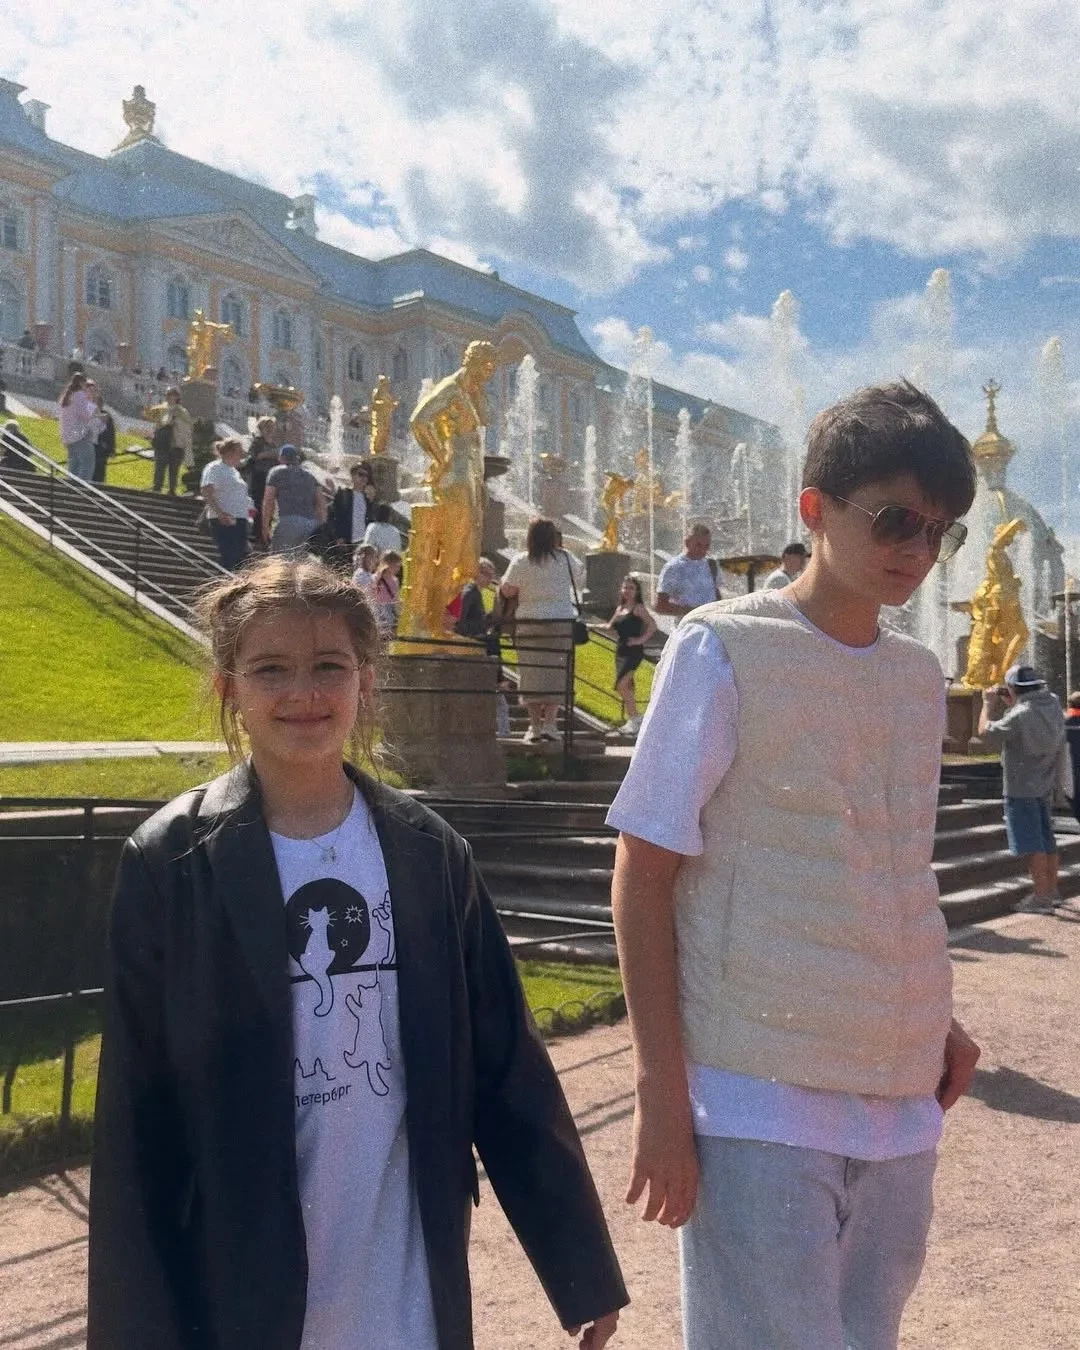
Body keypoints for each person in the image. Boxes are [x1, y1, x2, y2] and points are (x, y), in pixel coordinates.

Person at [87, 556, 625, 1350]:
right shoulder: (170, 861)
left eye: (328, 666)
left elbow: (507, 1067)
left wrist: (580, 1264)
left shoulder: (428, 853)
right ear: (229, 686)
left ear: (367, 680)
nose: (303, 692)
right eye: (271, 668)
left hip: (400, 1278)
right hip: (238, 1282)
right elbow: (136, 1123)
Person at [607, 380, 982, 1350]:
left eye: (938, 531)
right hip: (758, 1094)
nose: (917, 550)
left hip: (897, 1099)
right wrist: (660, 1092)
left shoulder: (917, 676)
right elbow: (643, 867)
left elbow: (888, 868)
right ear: (815, 508)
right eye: (895, 519)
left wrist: (931, 1012)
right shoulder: (722, 648)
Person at [978, 664, 1069, 914]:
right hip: (1045, 783)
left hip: (1021, 788)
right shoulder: (1052, 702)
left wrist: (987, 705)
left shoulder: (1019, 715)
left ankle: (1040, 897)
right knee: (1047, 839)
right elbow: (1029, 721)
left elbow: (985, 731)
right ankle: (1051, 890)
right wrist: (1014, 702)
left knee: (1031, 844)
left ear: (1012, 688)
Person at [500, 517, 578, 744]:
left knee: (531, 674)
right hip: (561, 622)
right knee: (556, 673)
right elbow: (579, 578)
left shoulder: (521, 561)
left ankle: (534, 726)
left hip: (530, 623)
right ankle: (551, 725)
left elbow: (507, 590)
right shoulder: (566, 559)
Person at [604, 575, 656, 737]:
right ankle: (633, 720)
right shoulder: (620, 608)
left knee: (621, 685)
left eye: (631, 588)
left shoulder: (638, 608)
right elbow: (609, 627)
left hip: (633, 652)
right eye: (625, 587)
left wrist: (640, 640)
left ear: (637, 591)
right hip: (621, 650)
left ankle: (636, 718)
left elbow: (652, 625)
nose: (627, 591)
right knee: (626, 686)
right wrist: (587, 625)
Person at [200, 437, 253, 572]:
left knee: (241, 557)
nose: (242, 455)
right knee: (229, 556)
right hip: (224, 518)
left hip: (239, 519)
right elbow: (206, 491)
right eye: (239, 451)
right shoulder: (215, 468)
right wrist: (220, 513)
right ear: (230, 452)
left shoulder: (234, 471)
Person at [263, 444, 326, 556]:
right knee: (300, 562)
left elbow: (269, 501)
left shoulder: (277, 472)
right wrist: (321, 527)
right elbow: (321, 504)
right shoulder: (311, 476)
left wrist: (265, 526)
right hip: (310, 525)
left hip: (288, 522)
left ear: (281, 458)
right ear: (297, 459)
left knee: (280, 561)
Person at [655, 524, 720, 617]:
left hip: (711, 622)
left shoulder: (711, 565)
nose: (703, 550)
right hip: (688, 623)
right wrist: (694, 612)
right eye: (698, 545)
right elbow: (661, 606)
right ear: (687, 543)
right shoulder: (674, 568)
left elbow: (716, 595)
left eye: (706, 546)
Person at [328, 461, 377, 569]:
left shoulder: (368, 498)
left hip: (363, 542)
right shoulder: (343, 494)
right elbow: (335, 517)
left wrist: (372, 501)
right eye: (360, 474)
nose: (364, 478)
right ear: (353, 476)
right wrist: (338, 536)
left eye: (366, 476)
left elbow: (372, 519)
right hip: (346, 541)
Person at [242, 415, 280, 546]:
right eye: (267, 427)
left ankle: (266, 532)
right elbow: (254, 456)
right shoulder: (257, 442)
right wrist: (269, 455)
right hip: (259, 476)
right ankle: (257, 532)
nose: (270, 430)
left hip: (271, 478)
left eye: (272, 427)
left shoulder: (274, 444)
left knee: (270, 505)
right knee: (258, 504)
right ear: (261, 428)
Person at [58, 370, 102, 481]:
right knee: (88, 463)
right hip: (79, 435)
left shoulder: (67, 396)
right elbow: (85, 415)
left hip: (68, 436)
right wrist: (92, 405)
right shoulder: (79, 395)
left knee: (74, 465)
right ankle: (83, 487)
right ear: (82, 383)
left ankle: (70, 487)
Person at [149, 387, 193, 494]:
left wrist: (176, 421)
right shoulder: (162, 409)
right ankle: (157, 488)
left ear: (177, 397)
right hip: (163, 443)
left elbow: (187, 428)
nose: (169, 397)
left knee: (174, 469)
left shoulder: (182, 411)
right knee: (160, 467)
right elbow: (159, 424)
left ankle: (172, 490)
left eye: (171, 395)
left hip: (177, 444)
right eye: (168, 394)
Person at [454, 557, 497, 642]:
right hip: (466, 638)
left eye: (491, 576)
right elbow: (459, 620)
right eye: (486, 574)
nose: (490, 579)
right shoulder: (470, 592)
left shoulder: (476, 592)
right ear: (476, 572)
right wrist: (477, 631)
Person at [89, 384, 116, 484]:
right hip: (91, 446)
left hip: (101, 449)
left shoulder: (106, 416)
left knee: (99, 472)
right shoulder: (90, 414)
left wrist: (111, 449)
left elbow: (111, 433)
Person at [372, 549, 403, 635]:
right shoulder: (375, 578)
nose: (398, 569)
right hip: (380, 612)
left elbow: (395, 597)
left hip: (391, 613)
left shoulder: (395, 580)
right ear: (388, 564)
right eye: (396, 566)